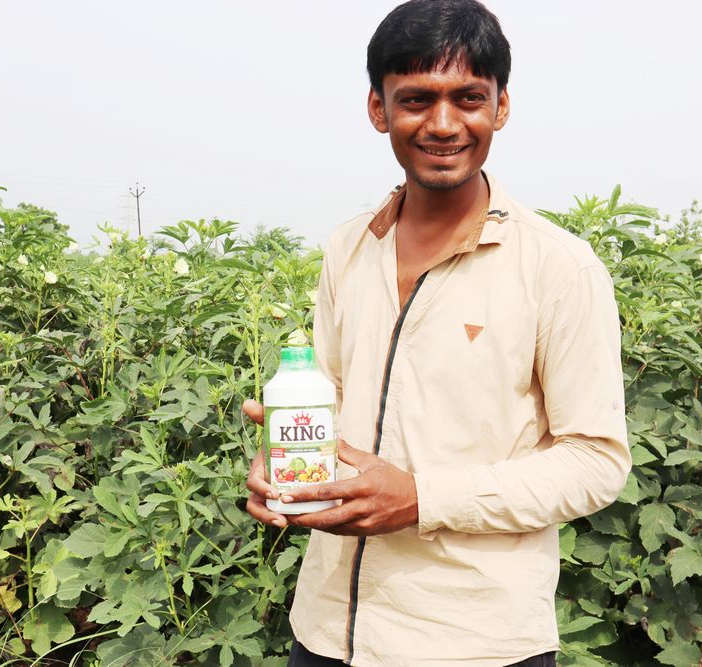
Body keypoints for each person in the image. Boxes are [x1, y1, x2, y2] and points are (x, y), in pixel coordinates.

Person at [243, 1, 631, 664]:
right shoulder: (348, 248)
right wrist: (287, 460)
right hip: (327, 627)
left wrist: (423, 497)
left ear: (501, 107)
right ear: (378, 108)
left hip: (473, 642)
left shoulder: (557, 265)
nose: (444, 124)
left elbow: (596, 460)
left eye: (469, 98)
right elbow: (330, 397)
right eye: (417, 99)